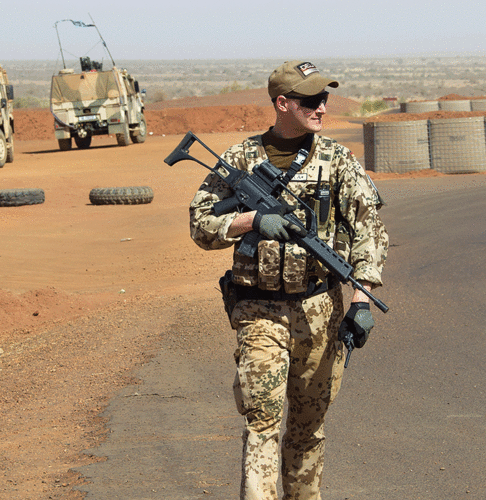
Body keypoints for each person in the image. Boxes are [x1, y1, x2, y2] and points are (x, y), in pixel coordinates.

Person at [189, 60, 389, 500]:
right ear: (283, 104)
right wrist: (251, 220)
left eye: (324, 98)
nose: (322, 106)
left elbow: (368, 231)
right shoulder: (240, 159)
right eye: (311, 99)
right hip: (259, 310)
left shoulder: (338, 160)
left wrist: (360, 299)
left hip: (320, 311)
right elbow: (200, 224)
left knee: (308, 429)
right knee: (261, 421)